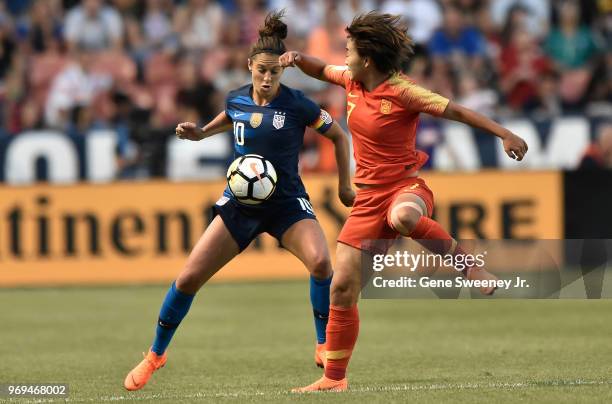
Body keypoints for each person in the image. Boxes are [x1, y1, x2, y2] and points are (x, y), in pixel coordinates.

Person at [279, 11, 528, 392]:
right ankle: (334, 380)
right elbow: (319, 69)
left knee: (404, 218)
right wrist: (296, 58)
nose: (343, 57)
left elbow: (456, 111)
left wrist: (504, 133)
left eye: (348, 50)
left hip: (405, 188)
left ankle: (469, 266)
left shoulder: (403, 90)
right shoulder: (350, 79)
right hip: (366, 200)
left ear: (367, 59)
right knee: (342, 288)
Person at [123, 11, 354, 391]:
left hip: (286, 202)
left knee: (320, 261)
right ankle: (155, 355)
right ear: (249, 66)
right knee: (187, 278)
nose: (266, 79)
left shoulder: (298, 105)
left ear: (282, 70)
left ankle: (322, 342)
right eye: (260, 71)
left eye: (273, 73)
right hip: (239, 205)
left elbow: (340, 137)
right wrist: (199, 134)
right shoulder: (236, 100)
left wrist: (346, 186)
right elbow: (228, 119)